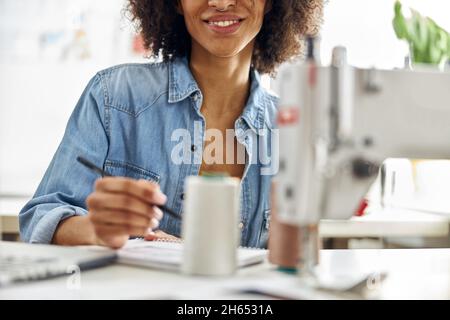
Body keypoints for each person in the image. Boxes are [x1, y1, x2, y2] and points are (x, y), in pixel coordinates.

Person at [19, 0, 322, 249]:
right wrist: (96, 230)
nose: (221, 2)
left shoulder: (290, 127)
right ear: (175, 3)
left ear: (272, 3)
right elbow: (41, 217)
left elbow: (300, 256)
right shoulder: (113, 96)